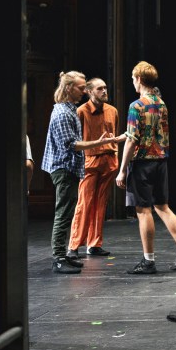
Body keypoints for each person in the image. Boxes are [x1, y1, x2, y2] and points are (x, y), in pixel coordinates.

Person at [115, 61, 176, 275]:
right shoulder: (161, 103)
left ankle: (148, 260)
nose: (133, 82)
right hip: (160, 161)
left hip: (142, 163)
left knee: (143, 210)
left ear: (139, 79)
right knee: (163, 207)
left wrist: (122, 170)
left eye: (133, 79)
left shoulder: (136, 106)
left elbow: (132, 140)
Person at [40, 71, 116, 274]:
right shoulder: (64, 113)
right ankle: (58, 258)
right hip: (64, 168)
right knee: (63, 214)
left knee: (68, 211)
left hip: (71, 167)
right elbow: (70, 144)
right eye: (81, 88)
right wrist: (99, 143)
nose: (84, 91)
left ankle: (64, 255)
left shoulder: (69, 109)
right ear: (68, 88)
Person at [68, 77, 125, 258]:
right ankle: (74, 245)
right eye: (100, 89)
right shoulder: (81, 112)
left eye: (105, 88)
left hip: (108, 161)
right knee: (84, 203)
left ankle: (94, 244)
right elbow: (77, 141)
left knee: (101, 204)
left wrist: (114, 154)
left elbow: (114, 135)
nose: (104, 91)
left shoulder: (112, 111)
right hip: (90, 161)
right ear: (90, 92)